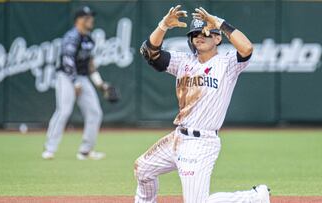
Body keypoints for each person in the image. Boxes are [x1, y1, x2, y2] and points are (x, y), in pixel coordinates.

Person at [136, 5, 270, 203]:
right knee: (143, 169)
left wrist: (219, 23)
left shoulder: (227, 64)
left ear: (217, 38)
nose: (200, 36)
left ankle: (254, 197)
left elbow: (247, 48)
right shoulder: (183, 62)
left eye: (206, 33)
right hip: (177, 137)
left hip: (201, 143)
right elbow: (150, 52)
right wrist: (163, 25)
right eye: (195, 33)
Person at [42, 6, 118, 160]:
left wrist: (100, 84)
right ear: (79, 20)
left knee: (95, 112)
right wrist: (75, 82)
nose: (91, 20)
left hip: (82, 77)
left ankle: (85, 150)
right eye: (87, 17)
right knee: (64, 110)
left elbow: (90, 65)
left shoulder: (89, 39)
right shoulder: (72, 36)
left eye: (91, 17)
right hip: (66, 76)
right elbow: (67, 60)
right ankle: (50, 149)